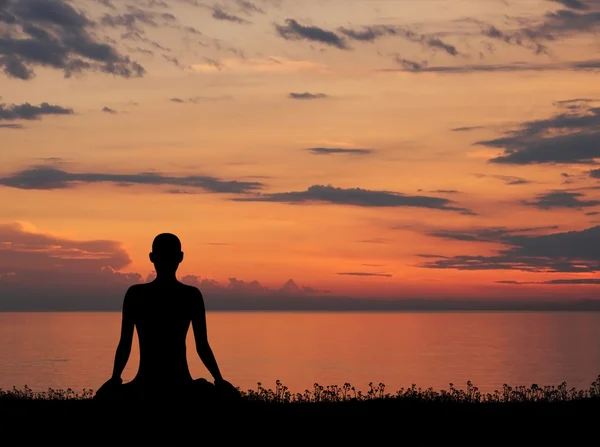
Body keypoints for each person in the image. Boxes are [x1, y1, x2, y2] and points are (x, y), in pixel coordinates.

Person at [94, 233, 240, 402]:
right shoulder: (190, 296)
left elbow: (125, 344)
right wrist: (219, 380)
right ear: (180, 257)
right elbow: (202, 346)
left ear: (152, 257)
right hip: (180, 386)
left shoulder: (136, 294)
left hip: (146, 385)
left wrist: (115, 379)